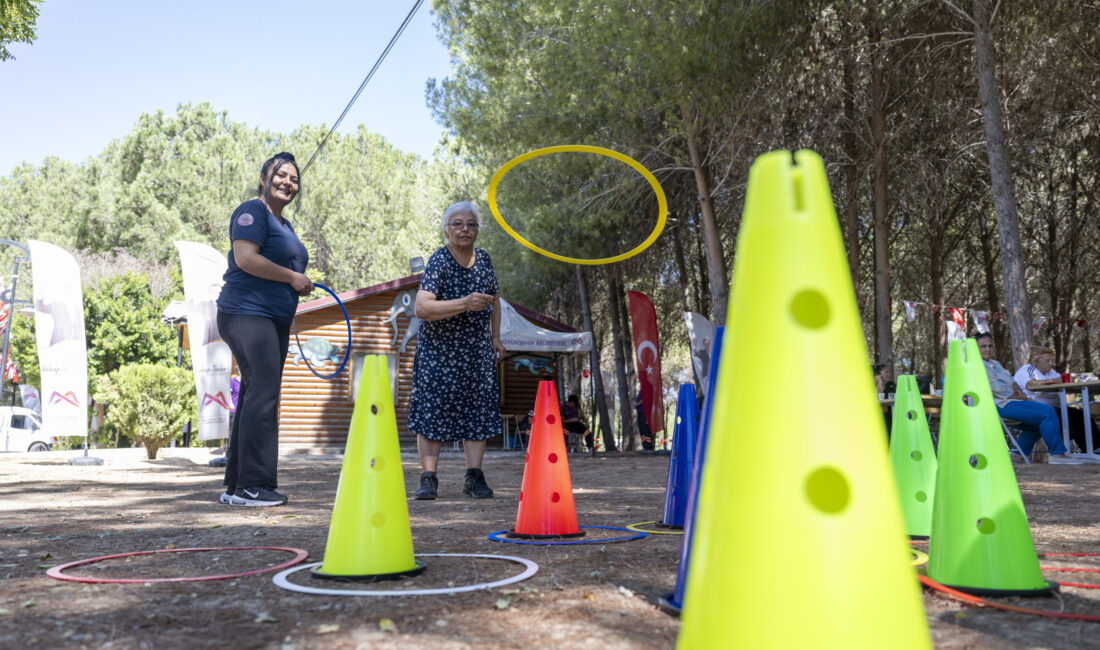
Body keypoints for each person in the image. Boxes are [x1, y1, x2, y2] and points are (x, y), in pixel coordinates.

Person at [215, 152, 312, 506]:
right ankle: (255, 485)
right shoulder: (251, 212)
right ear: (263, 178)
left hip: (273, 319)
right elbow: (245, 258)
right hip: (245, 313)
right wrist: (292, 277)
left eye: (294, 178)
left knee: (257, 393)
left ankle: (238, 486)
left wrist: (297, 283)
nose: (288, 182)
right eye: (281, 174)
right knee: (264, 392)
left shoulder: (284, 226)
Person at [409, 201, 504, 500]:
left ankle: (474, 477)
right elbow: (422, 308)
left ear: (477, 230)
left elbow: (495, 300)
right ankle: (428, 478)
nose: (465, 229)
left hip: (476, 351)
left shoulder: (484, 259)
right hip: (439, 353)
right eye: (458, 224)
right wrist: (464, 303)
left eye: (471, 224)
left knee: (478, 410)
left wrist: (495, 337)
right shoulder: (439, 260)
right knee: (432, 411)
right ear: (447, 230)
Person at [974, 333, 1079, 463]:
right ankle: (1057, 455)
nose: (988, 349)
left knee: (1038, 422)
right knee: (1047, 412)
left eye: (990, 346)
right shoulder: (975, 366)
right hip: (997, 404)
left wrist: (1019, 391)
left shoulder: (995, 363)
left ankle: (1018, 455)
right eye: (983, 346)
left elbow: (1011, 380)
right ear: (974, 348)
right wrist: (1016, 396)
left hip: (1010, 401)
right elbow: (994, 389)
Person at [1013, 346, 1091, 453]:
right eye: (1047, 361)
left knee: (1080, 415)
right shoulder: (1028, 369)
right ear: (1035, 361)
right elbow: (1030, 384)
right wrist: (1054, 380)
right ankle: (1069, 452)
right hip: (1036, 407)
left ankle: (1092, 449)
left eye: (1052, 360)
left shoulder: (1051, 372)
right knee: (1068, 417)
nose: (1051, 363)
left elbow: (1060, 380)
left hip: (1055, 407)